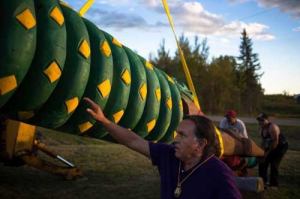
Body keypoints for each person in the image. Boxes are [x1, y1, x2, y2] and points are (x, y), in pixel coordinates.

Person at [84, 97, 241, 199]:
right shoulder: (169, 154)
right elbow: (133, 141)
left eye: (182, 135)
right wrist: (104, 121)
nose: (175, 139)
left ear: (200, 144)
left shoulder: (219, 174)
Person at [257, 113, 288, 187]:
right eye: (259, 120)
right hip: (271, 145)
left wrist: (267, 153)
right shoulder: (261, 129)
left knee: (274, 164)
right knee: (262, 162)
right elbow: (263, 141)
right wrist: (261, 152)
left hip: (280, 146)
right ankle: (262, 182)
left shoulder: (272, 127)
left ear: (267, 120)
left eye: (262, 120)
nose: (260, 122)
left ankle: (274, 184)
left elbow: (275, 142)